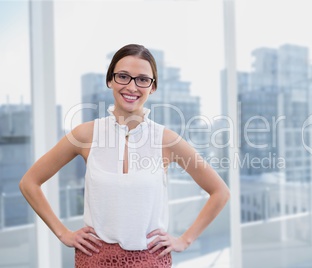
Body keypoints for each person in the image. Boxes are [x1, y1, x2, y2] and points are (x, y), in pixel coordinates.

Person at [19, 44, 230, 267]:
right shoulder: (85, 134)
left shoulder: (165, 139)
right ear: (110, 80)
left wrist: (185, 240)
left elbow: (220, 191)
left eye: (142, 79)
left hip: (151, 260)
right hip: (94, 259)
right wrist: (63, 233)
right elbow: (29, 182)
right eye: (123, 77)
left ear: (153, 87)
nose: (132, 87)